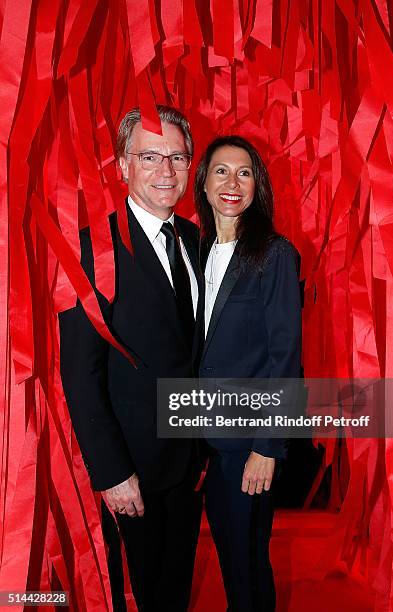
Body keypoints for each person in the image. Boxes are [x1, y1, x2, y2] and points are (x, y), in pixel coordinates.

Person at [59, 106, 203, 611]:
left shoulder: (195, 240)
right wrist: (112, 472)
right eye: (150, 157)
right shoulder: (91, 250)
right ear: (122, 165)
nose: (167, 171)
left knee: (174, 595)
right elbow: (80, 373)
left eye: (178, 157)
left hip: (189, 466)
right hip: (132, 474)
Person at [194, 135, 302, 611]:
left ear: (258, 185)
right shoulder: (194, 251)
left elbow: (285, 355)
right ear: (203, 181)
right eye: (221, 171)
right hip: (203, 441)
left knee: (247, 566)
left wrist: (268, 445)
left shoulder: (273, 254)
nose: (232, 182)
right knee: (231, 561)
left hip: (247, 444)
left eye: (244, 172)